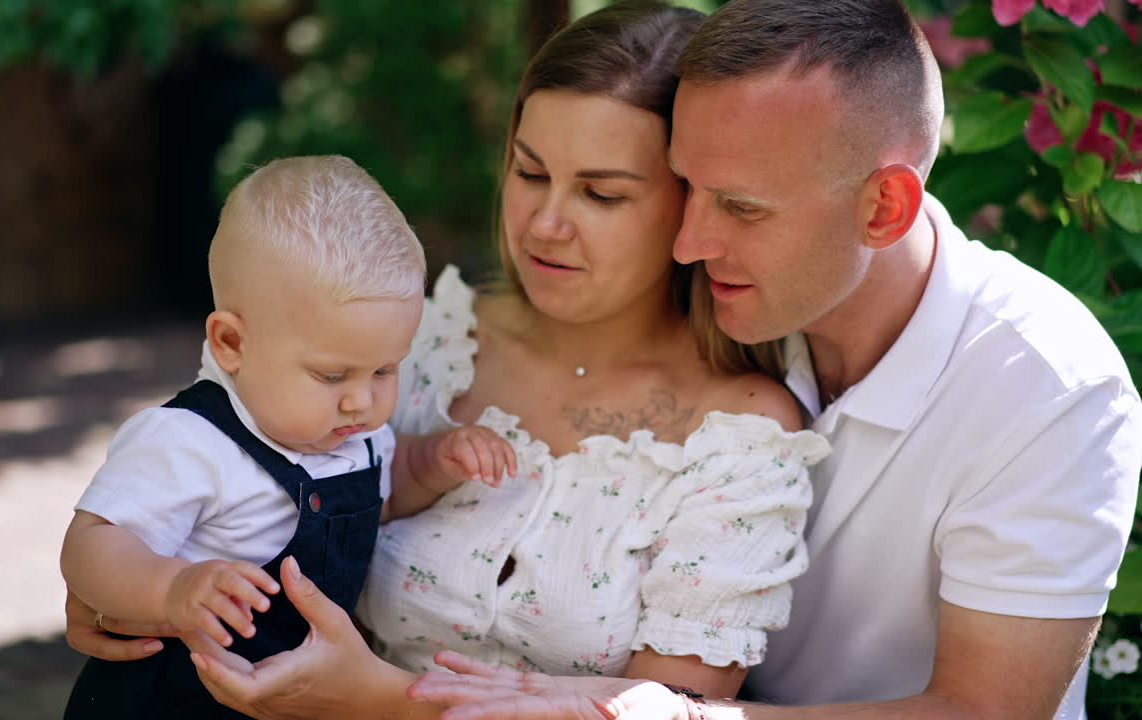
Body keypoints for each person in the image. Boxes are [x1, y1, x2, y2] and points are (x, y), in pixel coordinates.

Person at [64, 2, 831, 717]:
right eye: (530, 173)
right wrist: (132, 588)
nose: (546, 223)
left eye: (601, 194)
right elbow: (205, 491)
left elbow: (674, 711)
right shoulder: (422, 342)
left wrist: (384, 701)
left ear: (691, 202)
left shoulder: (737, 437)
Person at [402, 0, 1142, 718]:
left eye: (742, 207)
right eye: (685, 187)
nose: (687, 243)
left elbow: (987, 714)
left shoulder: (1049, 388)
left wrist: (667, 714)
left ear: (884, 207)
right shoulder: (728, 302)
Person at [59, 154, 516, 719]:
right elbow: (91, 546)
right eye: (331, 375)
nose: (362, 400)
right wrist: (170, 589)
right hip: (172, 700)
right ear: (231, 344)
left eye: (384, 370)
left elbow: (388, 492)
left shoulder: (354, 435)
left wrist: (440, 461)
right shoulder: (188, 442)